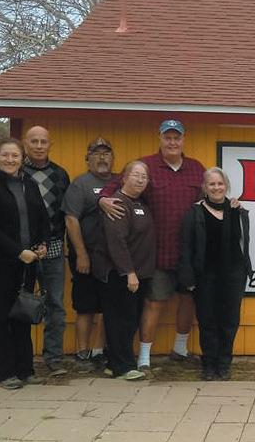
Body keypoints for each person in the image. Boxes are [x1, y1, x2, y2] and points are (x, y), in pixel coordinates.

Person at [100, 119, 205, 370]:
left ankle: (180, 349)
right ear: (160, 138)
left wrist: (232, 203)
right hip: (158, 254)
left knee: (187, 300)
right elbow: (116, 184)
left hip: (188, 254)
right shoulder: (145, 166)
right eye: (168, 137)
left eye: (176, 137)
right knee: (154, 303)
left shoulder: (196, 168)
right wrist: (103, 199)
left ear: (183, 140)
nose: (172, 142)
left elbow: (211, 196)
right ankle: (144, 358)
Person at [0, 138, 50, 389]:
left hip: (28, 261)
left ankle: (25, 369)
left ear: (22, 158)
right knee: (3, 315)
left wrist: (42, 243)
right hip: (0, 262)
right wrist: (18, 252)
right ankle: (4, 372)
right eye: (5, 155)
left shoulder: (30, 184)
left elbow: (42, 218)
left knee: (22, 313)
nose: (10, 160)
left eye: (15, 156)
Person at [178, 167, 251, 381]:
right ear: (205, 187)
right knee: (207, 321)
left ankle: (224, 364)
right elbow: (186, 247)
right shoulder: (194, 213)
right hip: (205, 275)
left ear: (226, 186)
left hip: (233, 275)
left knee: (230, 321)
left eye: (220, 183)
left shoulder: (238, 211)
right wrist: (188, 277)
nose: (216, 187)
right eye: (212, 184)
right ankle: (209, 365)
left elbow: (243, 243)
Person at [93, 161, 156, 381]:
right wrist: (128, 272)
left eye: (144, 176)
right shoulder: (117, 203)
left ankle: (113, 364)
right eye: (136, 175)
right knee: (120, 320)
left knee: (130, 320)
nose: (140, 179)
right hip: (119, 274)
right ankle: (124, 367)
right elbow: (116, 242)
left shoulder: (140, 202)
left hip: (140, 274)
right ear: (124, 178)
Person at [23, 126, 70, 377]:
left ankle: (54, 358)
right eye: (34, 141)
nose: (39, 146)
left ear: (50, 144)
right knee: (21, 303)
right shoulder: (17, 172)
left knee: (55, 305)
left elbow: (65, 214)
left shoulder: (60, 174)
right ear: (25, 144)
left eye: (43, 141)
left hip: (53, 248)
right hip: (22, 251)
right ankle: (21, 359)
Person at [62, 138, 113, 372]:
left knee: (107, 306)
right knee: (85, 305)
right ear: (87, 158)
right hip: (86, 254)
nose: (102, 158)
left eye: (106, 153)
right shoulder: (80, 184)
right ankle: (82, 351)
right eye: (96, 153)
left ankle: (98, 350)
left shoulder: (119, 181)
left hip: (111, 257)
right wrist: (81, 253)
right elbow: (71, 219)